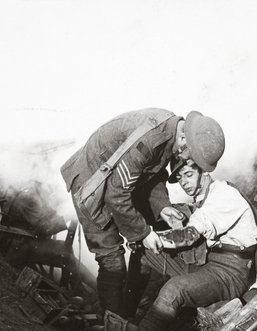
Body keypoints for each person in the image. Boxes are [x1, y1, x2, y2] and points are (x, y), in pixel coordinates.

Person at [85, 159, 257, 331]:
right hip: (212, 263)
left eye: (188, 175)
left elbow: (189, 236)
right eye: (180, 178)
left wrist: (150, 236)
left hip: (230, 273)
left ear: (204, 172)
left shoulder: (224, 195)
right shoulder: (204, 197)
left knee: (174, 289)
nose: (184, 183)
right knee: (143, 253)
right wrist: (148, 239)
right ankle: (127, 324)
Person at [60, 109, 225, 319]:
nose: (184, 161)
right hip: (90, 184)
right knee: (111, 258)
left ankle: (127, 314)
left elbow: (153, 173)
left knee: (143, 241)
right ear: (184, 139)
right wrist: (143, 233)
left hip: (113, 180)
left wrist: (162, 207)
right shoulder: (152, 140)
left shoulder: (172, 131)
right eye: (188, 156)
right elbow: (116, 194)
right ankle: (113, 326)